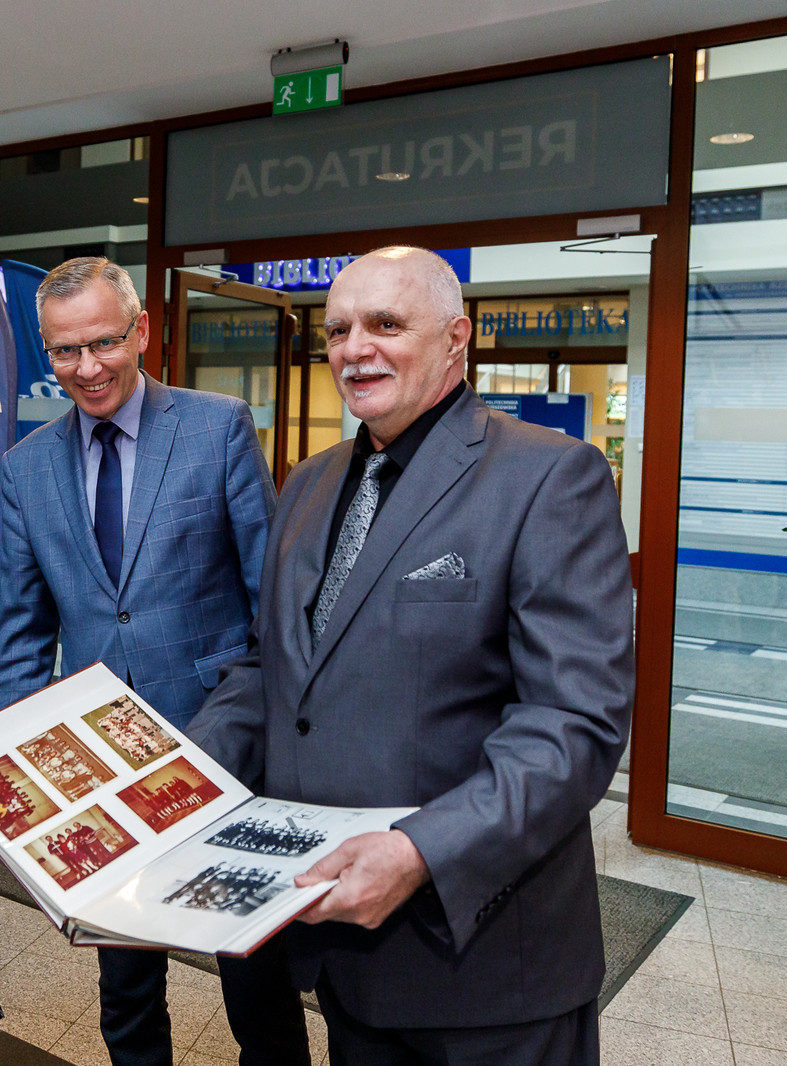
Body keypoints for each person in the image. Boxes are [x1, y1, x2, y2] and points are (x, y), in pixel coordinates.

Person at [189, 246, 634, 1065]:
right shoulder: (308, 483)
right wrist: (168, 784)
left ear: (456, 338)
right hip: (348, 957)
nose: (356, 349)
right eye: (338, 331)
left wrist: (420, 851)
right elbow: (269, 671)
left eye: (386, 324)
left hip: (487, 967)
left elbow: (573, 724)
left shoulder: (549, 476)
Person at [0, 257, 307, 1066]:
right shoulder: (26, 465)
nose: (87, 367)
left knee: (253, 969)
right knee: (126, 979)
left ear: (142, 332)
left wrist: (258, 733)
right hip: (102, 768)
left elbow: (270, 601)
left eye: (104, 342)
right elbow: (23, 628)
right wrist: (18, 784)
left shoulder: (216, 427)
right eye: (65, 351)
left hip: (224, 748)